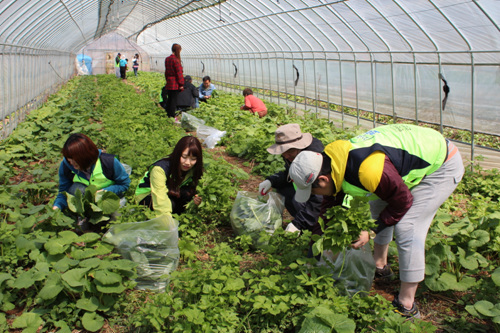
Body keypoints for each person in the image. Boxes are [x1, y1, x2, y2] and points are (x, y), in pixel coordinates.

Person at [288, 124, 464, 318]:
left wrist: (370, 232)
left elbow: (402, 202)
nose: (315, 195)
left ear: (323, 179)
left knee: (408, 226)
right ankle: (380, 265)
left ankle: (407, 303)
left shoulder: (368, 170)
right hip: (394, 161)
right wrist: (315, 255)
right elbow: (327, 211)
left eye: (313, 190)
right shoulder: (330, 161)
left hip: (441, 163)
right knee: (378, 203)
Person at [259, 124, 324, 233]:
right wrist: (271, 180)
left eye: (290, 152)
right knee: (283, 188)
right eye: (283, 152)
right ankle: (305, 226)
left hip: (324, 202)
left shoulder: (314, 162)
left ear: (300, 146)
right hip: (309, 194)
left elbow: (319, 199)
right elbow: (289, 175)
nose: (286, 156)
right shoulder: (293, 156)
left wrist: (299, 223)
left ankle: (314, 228)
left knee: (299, 201)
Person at [52, 133, 131, 211]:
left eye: (74, 160)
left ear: (85, 157)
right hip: (86, 201)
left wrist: (105, 191)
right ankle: (84, 215)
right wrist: (57, 207)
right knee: (75, 189)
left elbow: (124, 184)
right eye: (69, 158)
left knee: (116, 216)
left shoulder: (109, 162)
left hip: (108, 198)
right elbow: (64, 192)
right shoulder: (66, 166)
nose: (71, 162)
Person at [135, 136, 203, 216]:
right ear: (177, 154)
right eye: (184, 157)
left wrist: (195, 200)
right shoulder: (160, 168)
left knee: (187, 196)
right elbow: (159, 195)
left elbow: (194, 190)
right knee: (171, 204)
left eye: (193, 159)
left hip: (170, 190)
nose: (188, 163)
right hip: (148, 194)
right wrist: (166, 219)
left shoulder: (194, 169)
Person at [164, 43, 184, 118]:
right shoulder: (176, 60)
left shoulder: (167, 59)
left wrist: (167, 80)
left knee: (170, 99)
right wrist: (181, 84)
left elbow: (166, 71)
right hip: (175, 83)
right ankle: (171, 116)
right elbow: (179, 73)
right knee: (173, 100)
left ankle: (167, 114)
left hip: (169, 81)